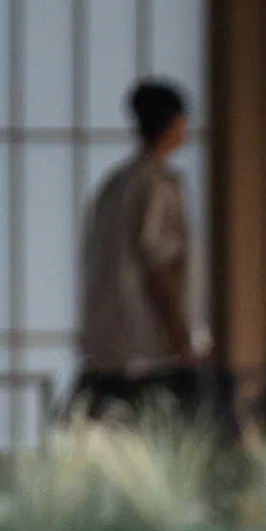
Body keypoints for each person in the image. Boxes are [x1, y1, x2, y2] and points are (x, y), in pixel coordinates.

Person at [74, 79, 196, 417]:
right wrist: (180, 336)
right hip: (143, 345)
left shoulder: (114, 183)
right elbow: (161, 265)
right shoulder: (157, 184)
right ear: (173, 124)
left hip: (103, 340)